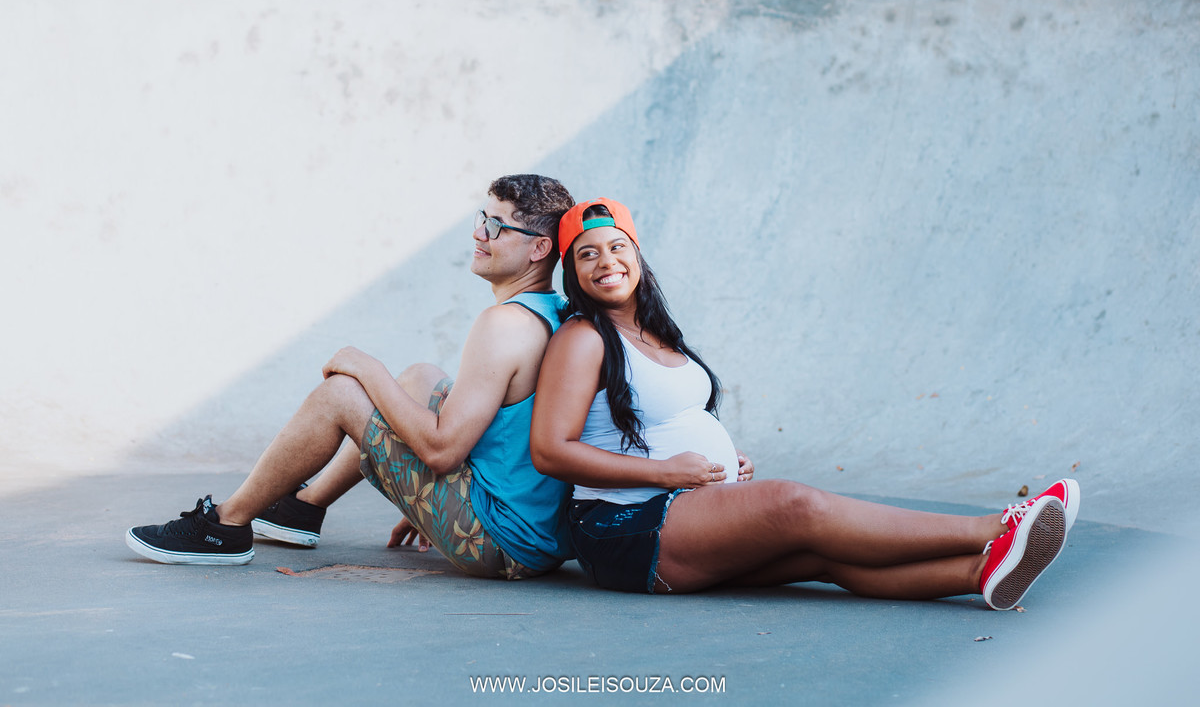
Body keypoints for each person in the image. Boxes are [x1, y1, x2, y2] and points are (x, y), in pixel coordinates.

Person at [529, 197, 1079, 609]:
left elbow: (665, 420)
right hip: (622, 526)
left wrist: (724, 460)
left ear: (638, 255)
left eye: (617, 247)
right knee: (794, 504)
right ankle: (996, 528)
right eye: (587, 255)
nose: (605, 261)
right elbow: (551, 450)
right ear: (573, 275)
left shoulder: (656, 331)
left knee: (825, 558)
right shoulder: (583, 338)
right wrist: (665, 471)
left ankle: (982, 573)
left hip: (682, 511)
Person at [127, 174, 576, 580]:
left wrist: (367, 368)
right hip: (535, 535)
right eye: (482, 218)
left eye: (497, 226)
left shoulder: (504, 326)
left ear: (539, 249)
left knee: (340, 394)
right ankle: (303, 508)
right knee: (420, 377)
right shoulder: (552, 312)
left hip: (496, 542)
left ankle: (224, 526)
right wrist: (430, 501)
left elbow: (442, 451)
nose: (479, 233)